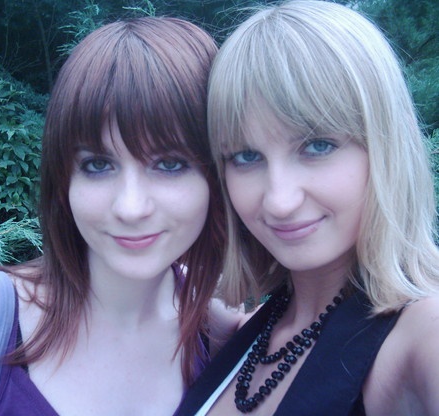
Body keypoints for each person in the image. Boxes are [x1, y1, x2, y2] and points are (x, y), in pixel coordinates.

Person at [0, 17, 240, 416]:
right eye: (98, 165)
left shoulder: (220, 332)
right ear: (63, 177)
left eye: (170, 164)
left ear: (216, 174)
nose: (130, 207)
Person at [175, 1, 439, 415]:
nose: (279, 201)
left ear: (384, 146)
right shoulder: (255, 329)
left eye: (317, 146)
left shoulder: (423, 331)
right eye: (246, 156)